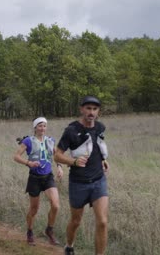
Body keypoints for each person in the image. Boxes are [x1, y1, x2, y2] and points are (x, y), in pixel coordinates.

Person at [53, 96, 110, 255]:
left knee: (103, 222)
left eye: (95, 109)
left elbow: (96, 145)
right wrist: (73, 161)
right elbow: (57, 155)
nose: (91, 112)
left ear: (98, 111)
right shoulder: (71, 131)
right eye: (88, 108)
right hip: (78, 183)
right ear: (81, 109)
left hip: (99, 181)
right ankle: (69, 245)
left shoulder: (100, 127)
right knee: (76, 221)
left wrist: (103, 159)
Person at [13, 117, 63, 246]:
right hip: (34, 179)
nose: (42, 128)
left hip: (48, 177)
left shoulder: (50, 140)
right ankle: (30, 232)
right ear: (35, 127)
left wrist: (59, 167)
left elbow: (56, 155)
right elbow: (16, 156)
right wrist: (28, 162)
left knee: (56, 205)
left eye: (44, 126)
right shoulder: (28, 141)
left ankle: (49, 230)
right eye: (40, 126)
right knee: (34, 209)